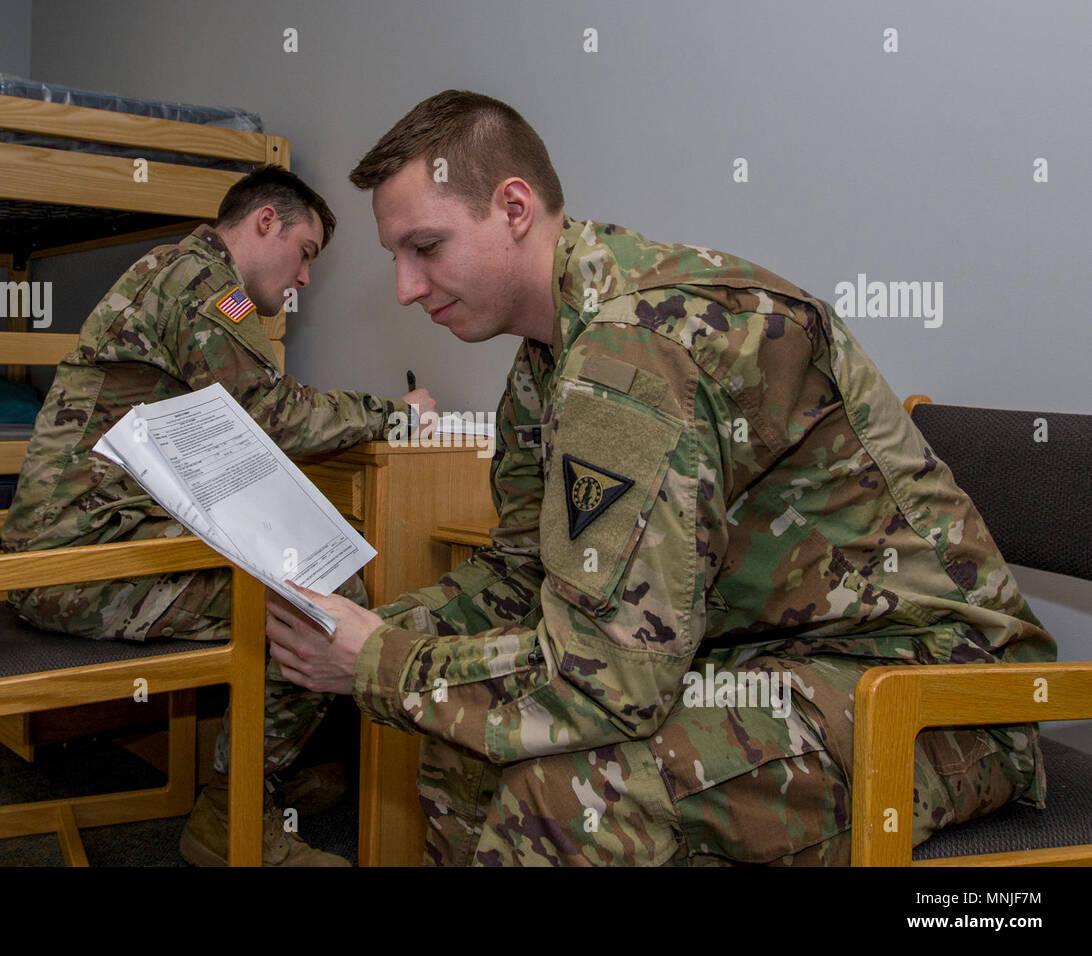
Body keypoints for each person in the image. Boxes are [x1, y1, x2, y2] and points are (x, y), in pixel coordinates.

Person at [264, 91, 1057, 866]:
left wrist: (380, 662)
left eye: (425, 248)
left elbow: (610, 681)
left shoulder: (632, 353)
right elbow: (519, 573)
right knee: (462, 738)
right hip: (765, 659)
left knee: (574, 789)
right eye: (395, 257)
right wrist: (364, 627)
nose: (405, 287)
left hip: (936, 694)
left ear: (512, 208)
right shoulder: (551, 360)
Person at [1, 164, 436, 866]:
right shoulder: (206, 287)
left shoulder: (180, 273)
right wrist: (397, 414)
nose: (303, 281)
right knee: (324, 603)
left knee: (299, 575)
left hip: (86, 542)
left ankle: (253, 785)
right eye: (306, 254)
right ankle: (233, 817)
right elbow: (271, 414)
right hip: (81, 567)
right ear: (265, 221)